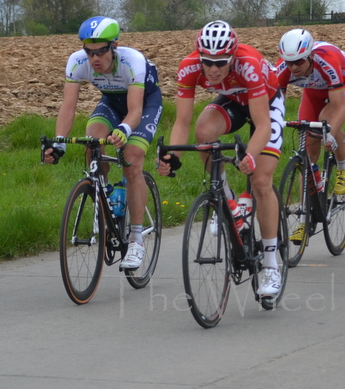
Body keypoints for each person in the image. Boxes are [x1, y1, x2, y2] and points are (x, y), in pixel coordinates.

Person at [157, 20, 285, 297]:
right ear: (199, 56)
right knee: (204, 132)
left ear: (233, 56)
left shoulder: (248, 64)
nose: (213, 69)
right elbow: (182, 121)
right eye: (207, 62)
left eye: (221, 62)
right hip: (234, 101)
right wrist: (172, 155)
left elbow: (262, 125)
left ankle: (272, 264)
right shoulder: (189, 66)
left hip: (267, 103)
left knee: (261, 180)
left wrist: (250, 156)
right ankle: (229, 202)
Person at [43, 16, 163, 270]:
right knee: (92, 140)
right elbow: (68, 107)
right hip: (111, 101)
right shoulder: (77, 62)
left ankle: (136, 239)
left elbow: (134, 112)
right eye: (89, 52)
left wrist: (124, 129)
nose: (95, 58)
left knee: (130, 161)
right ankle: (104, 194)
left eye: (101, 51)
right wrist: (59, 143)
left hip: (143, 104)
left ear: (114, 46)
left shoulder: (133, 61)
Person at [276, 29, 345, 241]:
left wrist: (331, 134)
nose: (294, 68)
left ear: (311, 56)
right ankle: (305, 221)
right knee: (308, 151)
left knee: (326, 121)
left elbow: (339, 106)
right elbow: (275, 104)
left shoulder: (327, 60)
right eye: (289, 63)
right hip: (313, 93)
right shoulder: (283, 69)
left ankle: (344, 168)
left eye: (299, 62)